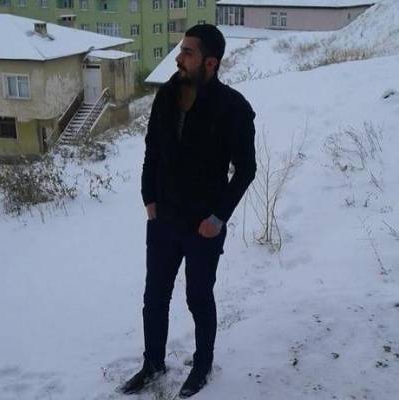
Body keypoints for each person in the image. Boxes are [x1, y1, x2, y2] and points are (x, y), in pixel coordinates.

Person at [121, 24, 256, 398]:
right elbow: (152, 151)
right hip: (163, 220)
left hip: (203, 226)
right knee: (154, 298)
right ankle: (152, 363)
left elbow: (246, 170)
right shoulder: (165, 96)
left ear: (210, 63)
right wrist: (149, 198)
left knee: (198, 297)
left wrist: (218, 218)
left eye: (188, 52)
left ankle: (202, 365)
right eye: (180, 50)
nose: (179, 58)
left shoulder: (234, 108)